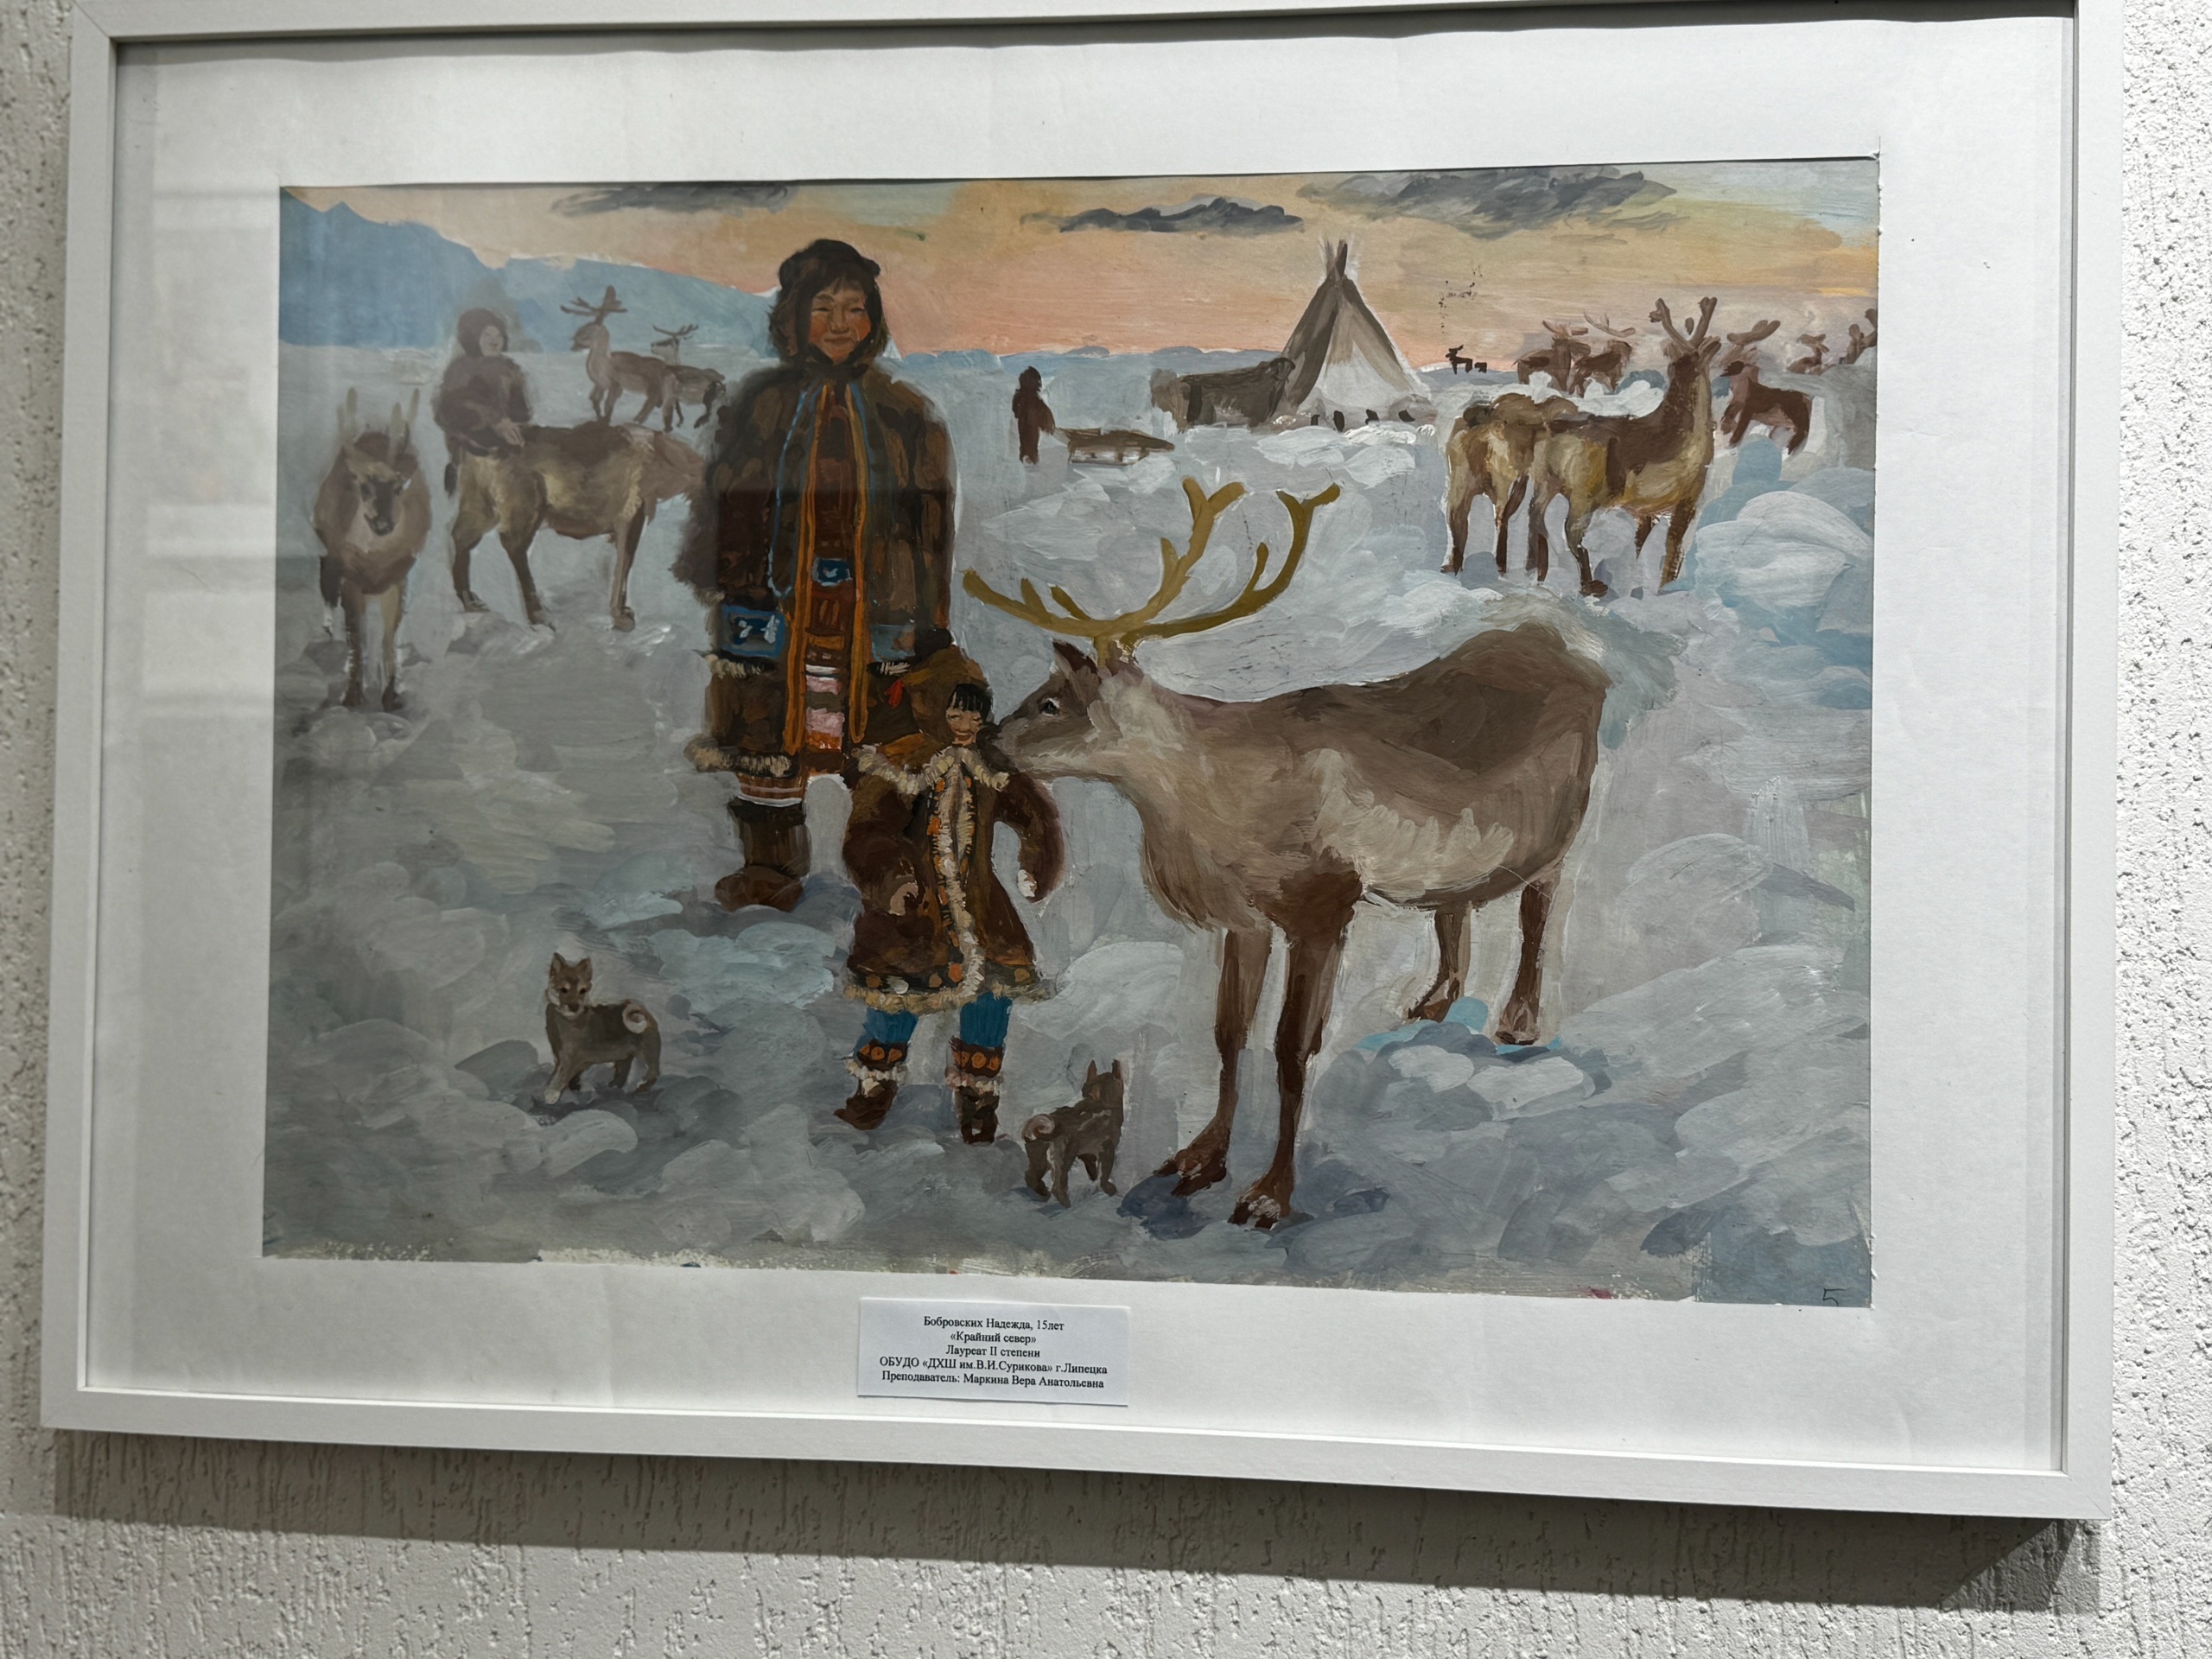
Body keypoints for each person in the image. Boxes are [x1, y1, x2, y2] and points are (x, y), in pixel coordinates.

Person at [674, 239, 956, 912]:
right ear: (794, 317)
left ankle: (890, 872)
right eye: (823, 308)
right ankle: (770, 866)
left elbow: (931, 526)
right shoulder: (760, 405)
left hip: (875, 607)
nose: (840, 323)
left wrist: (930, 616)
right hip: (778, 603)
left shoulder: (905, 413)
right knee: (768, 732)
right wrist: (728, 576)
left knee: (884, 739)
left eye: (855, 309)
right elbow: (723, 498)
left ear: (873, 318)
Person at [839, 650, 1062, 1142]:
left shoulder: (988, 765)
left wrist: (1039, 856)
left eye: (975, 715)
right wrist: (892, 879)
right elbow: (869, 832)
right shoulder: (899, 762)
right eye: (956, 713)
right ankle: (875, 1086)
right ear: (932, 709)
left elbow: (1034, 813)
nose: (966, 725)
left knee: (993, 991)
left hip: (980, 907)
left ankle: (979, 1098)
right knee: (897, 992)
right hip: (912, 910)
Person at [429, 308, 531, 495]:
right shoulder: (461, 369)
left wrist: (515, 426)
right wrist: (496, 421)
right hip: (471, 450)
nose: (495, 341)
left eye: (498, 335)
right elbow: (449, 409)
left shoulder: (510, 369)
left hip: (508, 453)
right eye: (487, 335)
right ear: (473, 337)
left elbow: (522, 411)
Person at [1012, 365, 1056, 464]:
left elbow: (1015, 411)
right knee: (1031, 447)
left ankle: (1026, 460)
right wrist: (1048, 426)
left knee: (1025, 447)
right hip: (1030, 428)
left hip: (1023, 427)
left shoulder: (1018, 397)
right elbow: (1045, 417)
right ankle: (1031, 461)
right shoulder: (1034, 400)